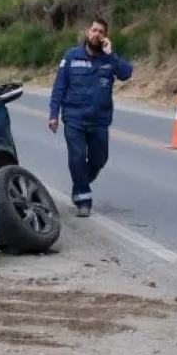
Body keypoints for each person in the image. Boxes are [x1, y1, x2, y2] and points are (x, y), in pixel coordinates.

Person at [48, 17, 133, 217]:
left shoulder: (109, 59)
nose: (97, 34)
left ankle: (80, 183)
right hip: (74, 118)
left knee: (99, 159)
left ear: (105, 37)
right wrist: (53, 115)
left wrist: (111, 55)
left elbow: (126, 73)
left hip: (100, 120)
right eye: (94, 30)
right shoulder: (71, 56)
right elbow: (59, 87)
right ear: (88, 32)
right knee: (77, 157)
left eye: (101, 32)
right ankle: (83, 199)